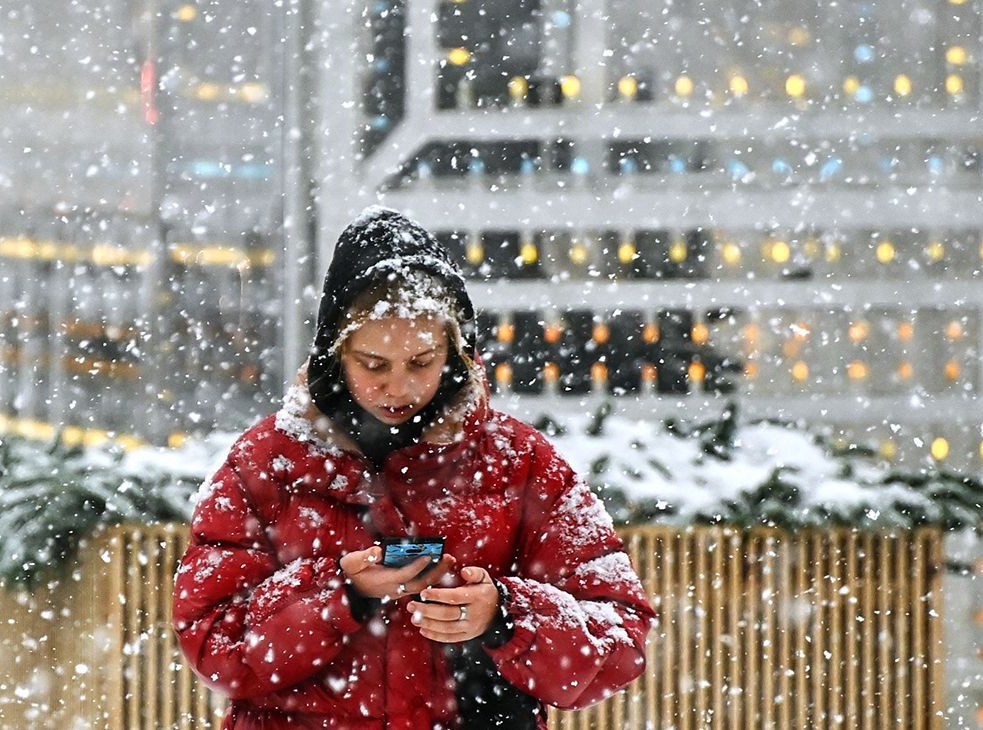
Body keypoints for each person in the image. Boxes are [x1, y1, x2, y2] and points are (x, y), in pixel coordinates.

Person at [173, 207, 655, 730]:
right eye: (373, 364)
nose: (398, 388)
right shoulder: (265, 462)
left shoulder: (521, 463)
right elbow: (212, 639)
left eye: (422, 362)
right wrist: (340, 593)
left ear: (456, 351)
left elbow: (622, 637)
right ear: (334, 353)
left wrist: (506, 617)